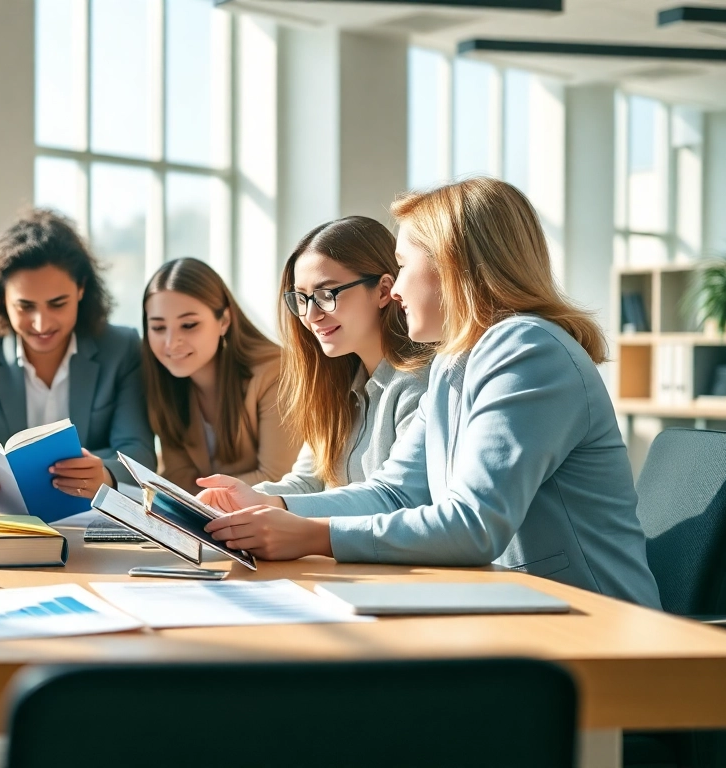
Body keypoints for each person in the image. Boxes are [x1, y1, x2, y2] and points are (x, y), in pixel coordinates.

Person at [202, 178, 661, 608]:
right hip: (515, 607)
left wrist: (311, 535)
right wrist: (271, 507)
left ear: (452, 265)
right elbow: (395, 494)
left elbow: (473, 524)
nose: (395, 290)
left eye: (402, 267)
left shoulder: (527, 349)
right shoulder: (452, 361)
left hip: (590, 618)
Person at [0, 208, 155, 511]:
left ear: (81, 289)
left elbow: (139, 455)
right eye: (25, 306)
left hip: (95, 525)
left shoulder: (121, 347)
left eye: (58, 304)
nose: (41, 323)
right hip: (2, 530)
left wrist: (107, 474)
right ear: (1, 299)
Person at [195, 216, 430, 509]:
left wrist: (276, 505)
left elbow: (395, 500)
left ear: (383, 291)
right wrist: (236, 499)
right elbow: (308, 482)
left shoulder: (420, 385)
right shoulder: (339, 384)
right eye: (302, 298)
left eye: (325, 294)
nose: (311, 315)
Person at [141, 257, 299, 491]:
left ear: (224, 320)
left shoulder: (276, 372)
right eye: (158, 327)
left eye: (188, 325)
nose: (171, 343)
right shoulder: (163, 381)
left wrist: (199, 499)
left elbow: (277, 478)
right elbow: (177, 476)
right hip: (207, 521)